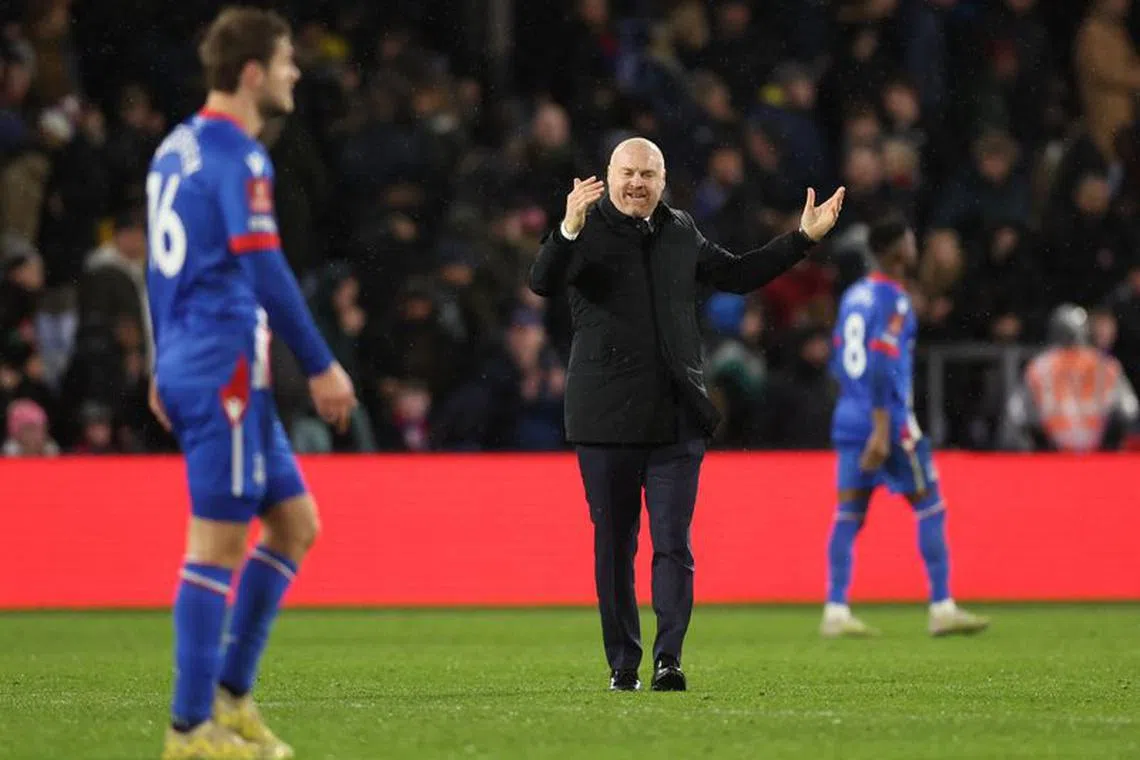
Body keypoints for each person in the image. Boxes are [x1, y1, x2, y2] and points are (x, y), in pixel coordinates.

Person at [529, 137, 845, 691]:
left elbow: (739, 274)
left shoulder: (679, 230)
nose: (637, 184)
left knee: (674, 544)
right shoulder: (582, 230)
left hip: (676, 415)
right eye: (627, 173)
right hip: (606, 420)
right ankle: (622, 665)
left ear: (663, 178)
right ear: (607, 176)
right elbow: (542, 281)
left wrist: (802, 240)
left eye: (648, 174)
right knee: (615, 548)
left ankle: (668, 659)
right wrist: (567, 228)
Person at [146, 8, 356, 759]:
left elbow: (158, 267)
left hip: (204, 358)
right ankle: (188, 728)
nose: (297, 71)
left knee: (296, 525)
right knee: (216, 544)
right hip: (225, 366)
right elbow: (264, 268)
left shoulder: (174, 150)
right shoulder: (241, 157)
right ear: (251, 73)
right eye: (287, 60)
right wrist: (324, 362)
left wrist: (158, 357)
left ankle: (230, 698)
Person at [824, 216, 989, 639]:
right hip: (889, 422)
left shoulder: (852, 297)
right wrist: (881, 429)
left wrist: (857, 411)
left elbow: (841, 359)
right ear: (899, 250)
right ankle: (942, 606)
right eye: (912, 240)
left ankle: (836, 610)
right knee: (930, 505)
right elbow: (880, 360)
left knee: (848, 515)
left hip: (848, 416)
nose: (916, 246)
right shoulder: (895, 300)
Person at [1001, 304, 1139, 452]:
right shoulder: (1104, 364)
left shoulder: (1040, 366)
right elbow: (1129, 410)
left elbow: (1015, 414)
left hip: (1052, 451)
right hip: (1097, 452)